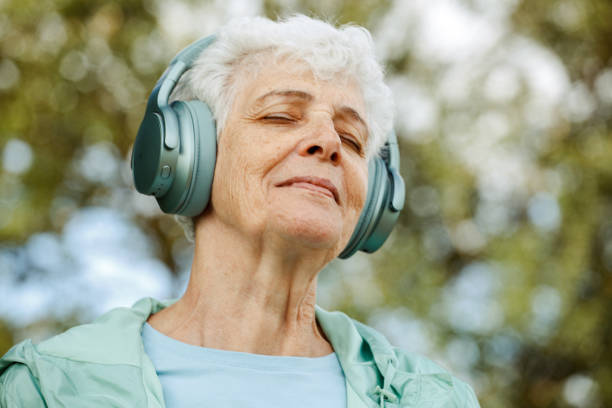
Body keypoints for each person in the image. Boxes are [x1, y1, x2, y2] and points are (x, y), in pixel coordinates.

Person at [0, 15, 480, 407]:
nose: (330, 143)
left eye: (352, 140)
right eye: (280, 115)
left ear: (372, 201)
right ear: (190, 155)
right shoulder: (48, 388)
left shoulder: (430, 399)